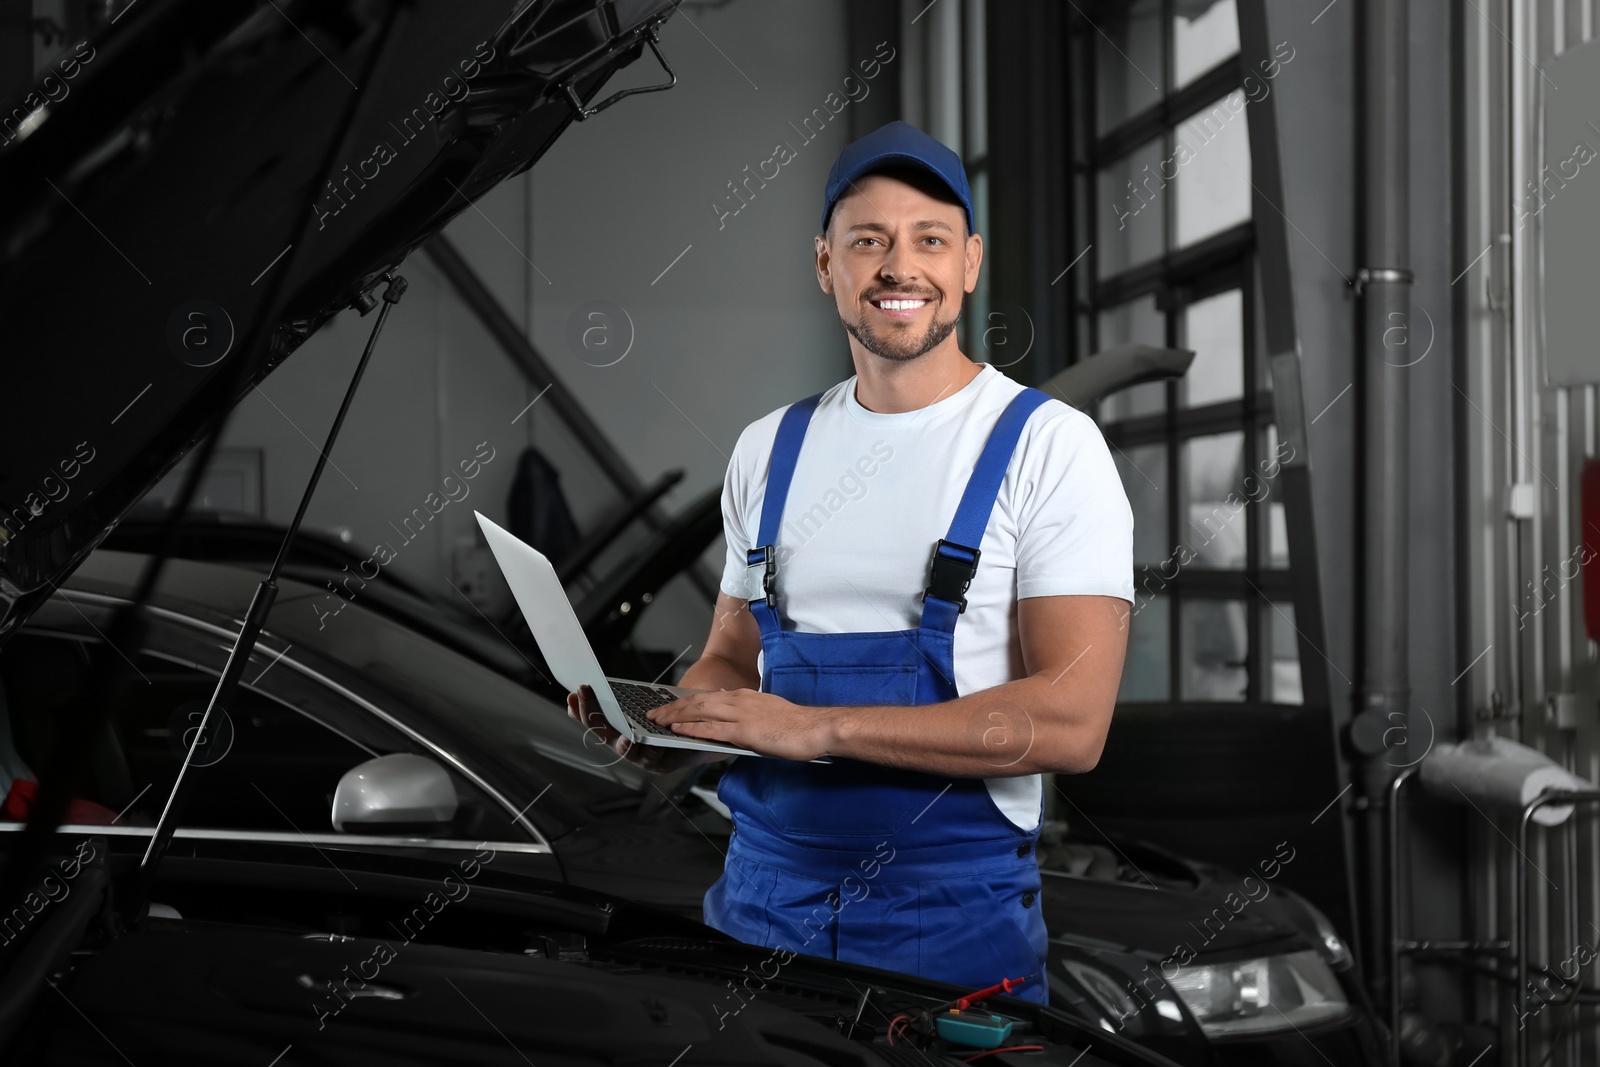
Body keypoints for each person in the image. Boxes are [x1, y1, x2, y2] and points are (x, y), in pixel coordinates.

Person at [567, 120, 1134, 1006]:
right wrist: (671, 726)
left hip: (948, 918)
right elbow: (729, 652)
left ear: (970, 263)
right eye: (867, 240)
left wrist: (819, 729)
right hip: (758, 902)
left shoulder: (1049, 447)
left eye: (929, 240)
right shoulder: (769, 449)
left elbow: (1071, 720)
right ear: (825, 263)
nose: (898, 267)